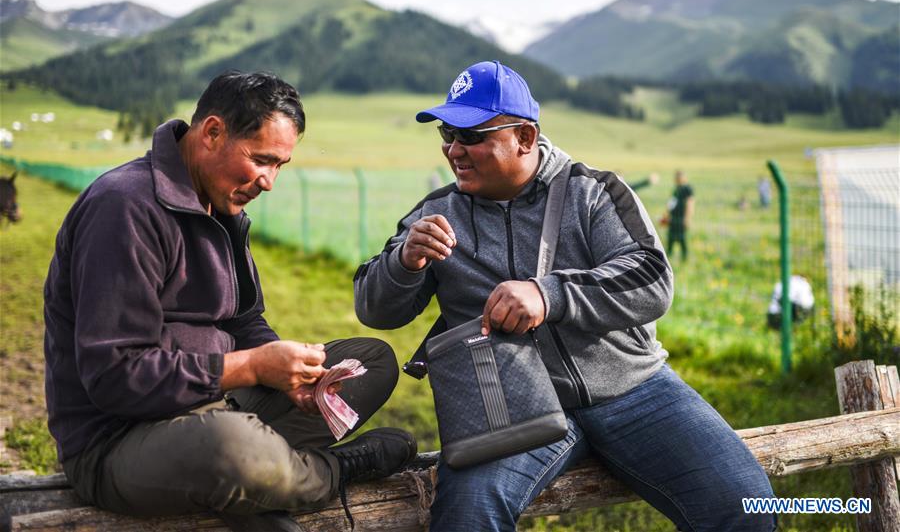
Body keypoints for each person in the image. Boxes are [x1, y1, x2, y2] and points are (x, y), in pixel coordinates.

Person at [354, 61, 775, 532]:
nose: (454, 150)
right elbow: (374, 310)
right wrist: (403, 264)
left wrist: (547, 293)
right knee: (466, 517)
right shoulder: (432, 214)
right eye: (447, 133)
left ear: (526, 138)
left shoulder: (594, 192)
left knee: (747, 506)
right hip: (510, 410)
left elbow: (652, 278)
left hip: (635, 391)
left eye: (471, 136)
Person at [43, 71, 416, 528]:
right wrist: (252, 367)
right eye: (262, 159)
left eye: (281, 165)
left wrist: (294, 378)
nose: (269, 181)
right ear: (213, 132)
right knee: (229, 447)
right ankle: (331, 470)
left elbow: (244, 320)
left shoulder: (223, 202)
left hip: (222, 405)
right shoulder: (123, 209)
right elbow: (115, 375)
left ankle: (264, 469)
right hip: (120, 439)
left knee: (371, 362)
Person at [665, 169, 694, 261]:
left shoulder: (687, 189)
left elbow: (690, 204)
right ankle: (668, 258)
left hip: (681, 218)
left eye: (679, 177)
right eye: (676, 177)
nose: (677, 179)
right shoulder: (676, 189)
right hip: (673, 218)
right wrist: (666, 216)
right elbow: (671, 204)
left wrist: (687, 218)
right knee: (670, 239)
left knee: (682, 239)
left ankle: (684, 259)